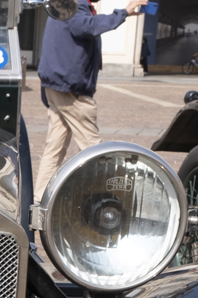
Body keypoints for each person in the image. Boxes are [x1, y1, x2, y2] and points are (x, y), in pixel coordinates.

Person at [36, 0, 146, 197]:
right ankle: (108, 202)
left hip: (57, 84)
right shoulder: (75, 5)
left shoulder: (66, 4)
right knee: (94, 149)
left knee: (55, 148)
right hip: (69, 88)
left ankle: (39, 202)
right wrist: (123, 12)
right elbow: (87, 27)